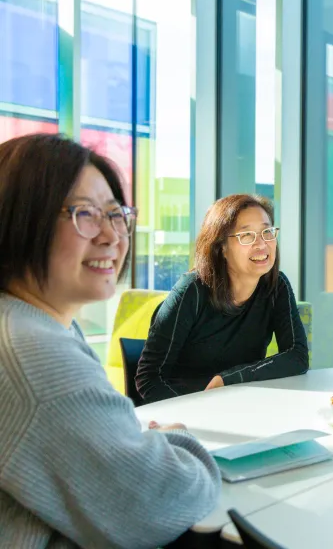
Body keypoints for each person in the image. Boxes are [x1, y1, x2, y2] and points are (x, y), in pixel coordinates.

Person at [0, 134, 220, 548]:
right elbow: (164, 500)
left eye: (116, 214)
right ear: (19, 219)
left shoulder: (36, 322)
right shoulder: (31, 349)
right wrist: (178, 439)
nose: (111, 236)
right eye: (84, 213)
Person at [136, 194, 308, 403]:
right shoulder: (192, 291)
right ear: (221, 248)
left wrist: (230, 379)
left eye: (267, 232)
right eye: (246, 235)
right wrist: (194, 412)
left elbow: (297, 356)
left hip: (239, 405)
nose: (262, 244)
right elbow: (149, 378)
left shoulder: (276, 286)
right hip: (184, 414)